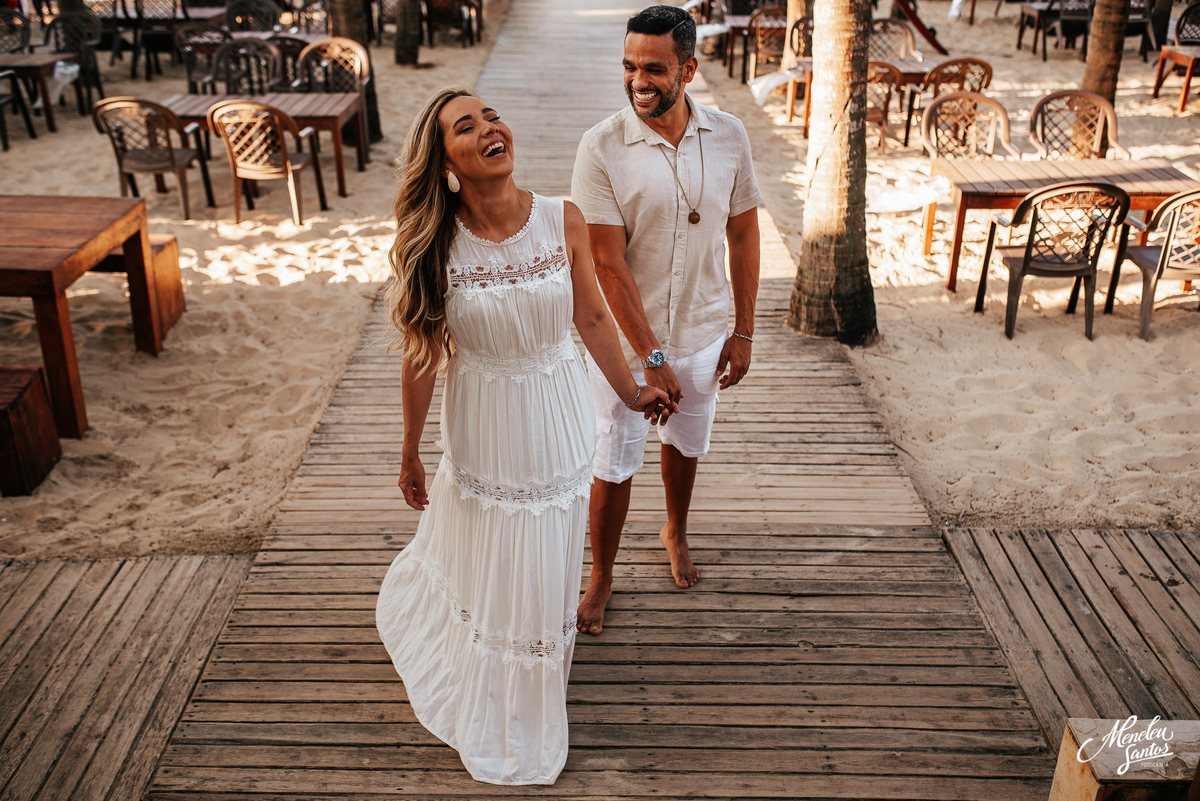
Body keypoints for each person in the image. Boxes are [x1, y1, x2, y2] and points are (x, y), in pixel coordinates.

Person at [374, 87, 674, 786]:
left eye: (492, 116)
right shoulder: (433, 246)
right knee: (494, 544)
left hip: (558, 409)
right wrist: (410, 448)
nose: (489, 129)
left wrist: (632, 391)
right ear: (445, 161)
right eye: (466, 126)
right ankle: (491, 669)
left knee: (545, 551)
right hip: (485, 422)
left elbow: (593, 320)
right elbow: (422, 355)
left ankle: (537, 672)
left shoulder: (562, 219)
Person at [570, 5, 764, 635]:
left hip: (706, 330)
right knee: (614, 456)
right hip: (626, 347)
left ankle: (675, 528)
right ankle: (601, 574)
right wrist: (651, 355)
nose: (637, 82)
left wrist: (743, 330)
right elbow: (606, 262)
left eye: (653, 69)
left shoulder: (730, 135)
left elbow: (744, 234)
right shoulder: (601, 146)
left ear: (689, 67)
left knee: (686, 443)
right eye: (628, 67)